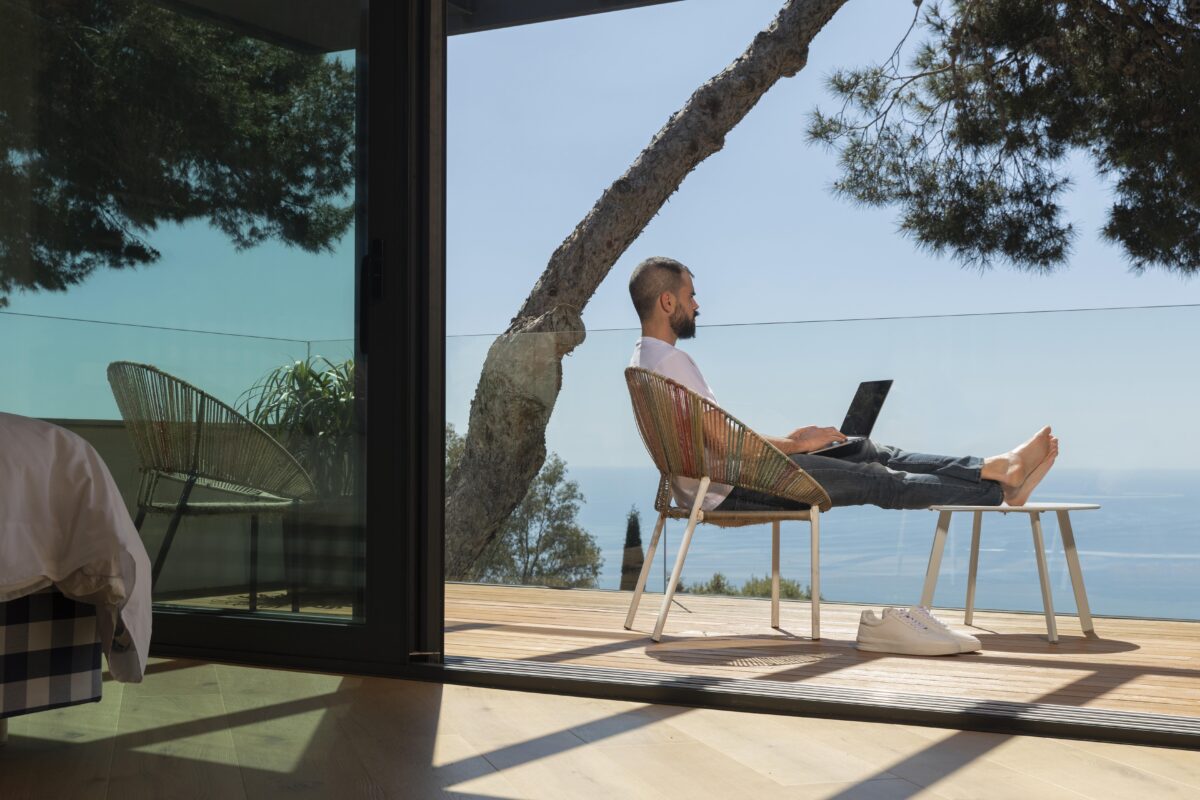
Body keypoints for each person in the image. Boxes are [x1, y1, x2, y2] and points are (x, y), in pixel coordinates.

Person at [627, 256, 1058, 515]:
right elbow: (721, 439)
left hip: (721, 478)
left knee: (865, 448)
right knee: (877, 479)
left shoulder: (644, 361)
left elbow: (712, 436)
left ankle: (995, 468)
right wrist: (797, 447)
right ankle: (997, 489)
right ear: (668, 302)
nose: (696, 304)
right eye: (690, 295)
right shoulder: (671, 364)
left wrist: (795, 438)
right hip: (730, 488)